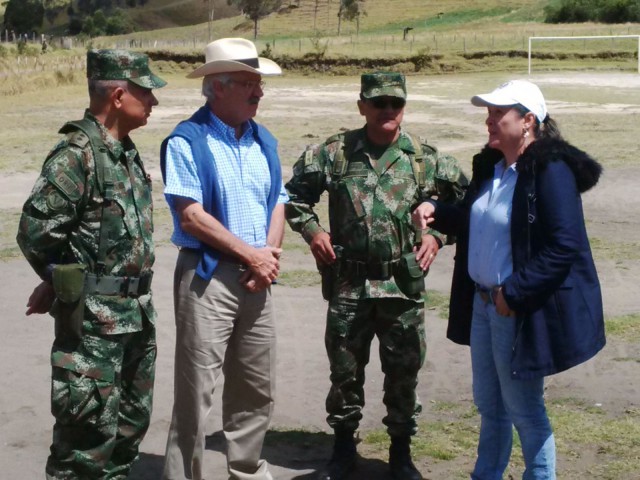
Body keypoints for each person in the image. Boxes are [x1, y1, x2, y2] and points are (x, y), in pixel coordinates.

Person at [412, 79, 606, 479]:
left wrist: (514, 293)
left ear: (528, 121)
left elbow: (565, 245)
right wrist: (437, 210)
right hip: (483, 305)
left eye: (499, 113)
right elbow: (476, 221)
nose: (489, 120)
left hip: (514, 308)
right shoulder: (493, 168)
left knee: (524, 409)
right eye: (489, 113)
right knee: (490, 405)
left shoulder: (550, 171)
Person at [285, 71, 468, 480]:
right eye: (378, 102)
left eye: (395, 103)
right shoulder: (334, 153)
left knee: (403, 372)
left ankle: (401, 453)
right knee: (344, 371)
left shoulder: (424, 158)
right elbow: (292, 196)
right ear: (362, 106)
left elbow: (468, 203)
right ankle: (343, 448)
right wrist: (313, 232)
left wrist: (438, 236)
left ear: (404, 107)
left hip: (401, 286)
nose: (387, 110)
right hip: (349, 284)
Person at [16, 49, 166, 479]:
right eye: (146, 92)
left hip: (136, 317)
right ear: (118, 96)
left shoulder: (124, 153)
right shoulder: (75, 156)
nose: (153, 101)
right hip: (94, 328)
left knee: (126, 435)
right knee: (84, 445)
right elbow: (36, 234)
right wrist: (62, 281)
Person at [160, 37, 287, 480]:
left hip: (257, 277)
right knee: (196, 391)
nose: (259, 92)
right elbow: (191, 217)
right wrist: (253, 256)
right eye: (249, 83)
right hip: (208, 278)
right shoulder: (186, 140)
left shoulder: (263, 139)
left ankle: (247, 473)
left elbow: (278, 201)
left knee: (256, 387)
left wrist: (267, 257)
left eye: (259, 83)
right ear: (217, 86)